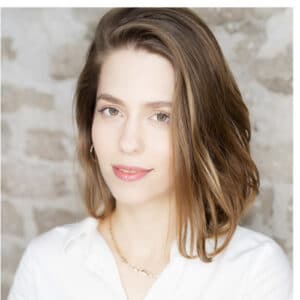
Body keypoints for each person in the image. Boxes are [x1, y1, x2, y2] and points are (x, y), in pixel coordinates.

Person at [7, 8, 292, 300]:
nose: (129, 143)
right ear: (89, 119)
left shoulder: (254, 272)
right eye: (112, 110)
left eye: (161, 117)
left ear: (202, 131)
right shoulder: (46, 265)